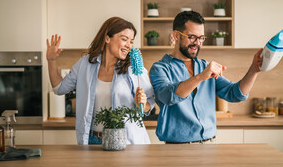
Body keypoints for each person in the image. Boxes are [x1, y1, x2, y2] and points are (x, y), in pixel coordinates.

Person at [149, 11, 262, 144]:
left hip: (209, 145)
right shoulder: (160, 68)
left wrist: (254, 69)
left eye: (201, 38)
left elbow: (235, 94)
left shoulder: (204, 66)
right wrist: (201, 76)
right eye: (192, 37)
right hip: (176, 148)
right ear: (176, 36)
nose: (197, 43)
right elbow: (167, 96)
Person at [47, 17, 155, 145]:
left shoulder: (134, 69)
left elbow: (149, 106)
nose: (129, 45)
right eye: (124, 39)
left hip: (126, 141)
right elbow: (59, 88)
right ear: (107, 38)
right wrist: (51, 61)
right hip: (93, 140)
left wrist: (142, 104)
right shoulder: (85, 65)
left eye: (131, 41)